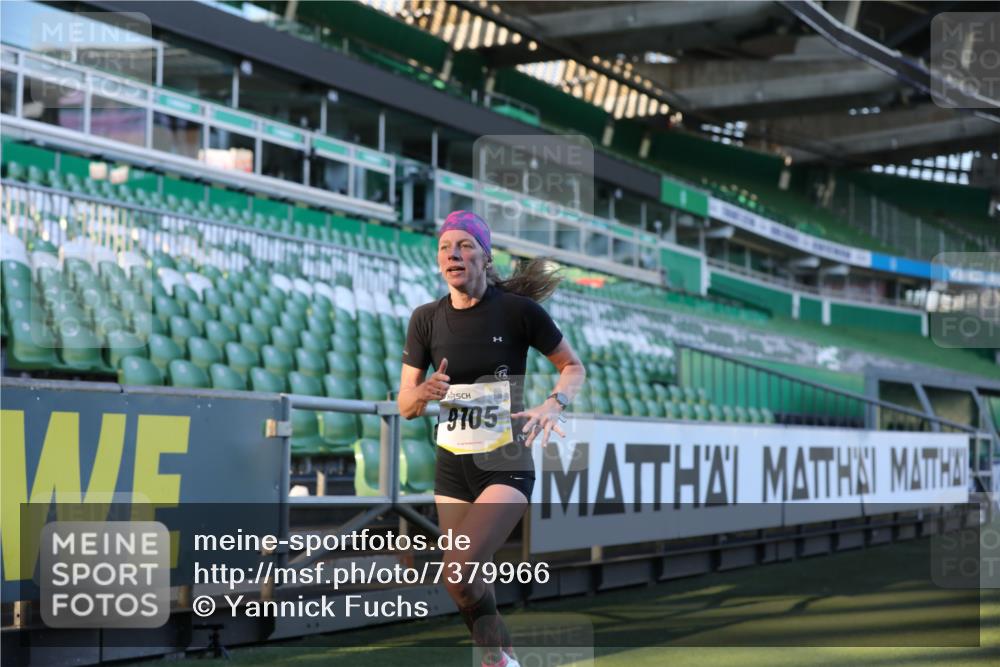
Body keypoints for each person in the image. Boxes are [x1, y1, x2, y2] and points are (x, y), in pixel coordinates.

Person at [397, 210, 586, 667]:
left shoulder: (519, 311)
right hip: (453, 466)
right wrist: (422, 393)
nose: (453, 254)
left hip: (505, 462)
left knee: (457, 570)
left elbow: (573, 367)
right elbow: (406, 405)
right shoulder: (425, 319)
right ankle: (503, 659)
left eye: (464, 245)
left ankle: (493, 659)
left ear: (485, 256)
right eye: (445, 247)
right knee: (466, 581)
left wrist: (551, 404)